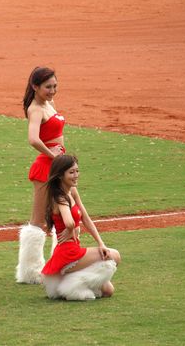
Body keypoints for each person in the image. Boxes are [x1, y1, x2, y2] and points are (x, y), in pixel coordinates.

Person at [41, 155, 121, 300]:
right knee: (115, 255)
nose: (76, 175)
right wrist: (71, 229)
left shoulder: (71, 191)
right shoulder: (59, 196)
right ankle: (71, 286)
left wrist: (100, 243)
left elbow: (85, 218)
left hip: (74, 249)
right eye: (71, 172)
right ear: (60, 175)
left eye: (77, 171)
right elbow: (69, 222)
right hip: (67, 253)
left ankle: (72, 282)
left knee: (108, 290)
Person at [16, 67, 66, 284]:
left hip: (60, 168)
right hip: (46, 168)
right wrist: (51, 154)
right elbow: (33, 139)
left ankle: (63, 262)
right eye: (48, 87)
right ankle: (29, 272)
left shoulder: (49, 104)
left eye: (55, 86)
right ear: (35, 87)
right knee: (38, 221)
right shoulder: (35, 109)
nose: (52, 91)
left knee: (65, 215)